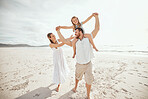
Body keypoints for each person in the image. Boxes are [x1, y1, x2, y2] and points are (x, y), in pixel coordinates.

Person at [56, 13, 100, 99]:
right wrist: (58, 30)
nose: (74, 33)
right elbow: (64, 41)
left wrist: (96, 17)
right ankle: (75, 87)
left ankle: (88, 96)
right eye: (74, 31)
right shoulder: (74, 41)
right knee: (77, 77)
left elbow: (97, 29)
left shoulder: (88, 38)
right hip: (79, 64)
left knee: (89, 80)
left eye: (76, 32)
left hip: (88, 64)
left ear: (80, 31)